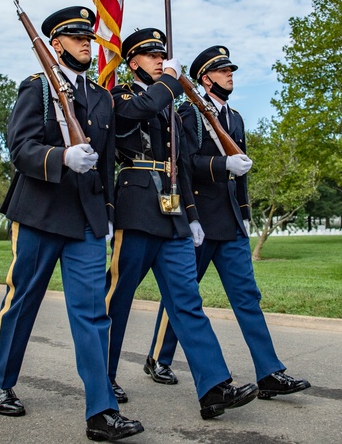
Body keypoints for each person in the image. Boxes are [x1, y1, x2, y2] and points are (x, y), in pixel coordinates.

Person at [0, 6, 143, 442]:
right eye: (77, 39)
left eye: (89, 39)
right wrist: (60, 158)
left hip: (88, 218)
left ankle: (101, 412)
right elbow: (19, 149)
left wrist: (110, 214)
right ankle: (1, 381)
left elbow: (109, 161)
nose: (86, 45)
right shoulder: (37, 89)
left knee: (93, 313)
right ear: (56, 44)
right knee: (23, 302)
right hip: (39, 212)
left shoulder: (101, 96)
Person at [143, 46, 312, 401]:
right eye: (222, 71)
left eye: (230, 70)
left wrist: (245, 213)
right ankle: (159, 357)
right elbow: (185, 163)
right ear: (205, 78)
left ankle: (269, 372)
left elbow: (243, 169)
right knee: (184, 295)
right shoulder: (188, 113)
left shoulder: (234, 117)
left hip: (230, 221)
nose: (229, 74)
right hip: (201, 219)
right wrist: (203, 194)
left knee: (247, 297)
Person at [105, 28, 258, 421]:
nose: (160, 60)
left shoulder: (174, 107)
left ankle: (213, 387)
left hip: (172, 214)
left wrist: (192, 217)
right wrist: (172, 82)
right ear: (133, 61)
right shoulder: (122, 94)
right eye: (151, 55)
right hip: (137, 206)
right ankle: (102, 378)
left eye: (163, 55)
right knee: (117, 300)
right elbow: (135, 115)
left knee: (188, 301)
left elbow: (183, 168)